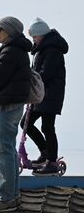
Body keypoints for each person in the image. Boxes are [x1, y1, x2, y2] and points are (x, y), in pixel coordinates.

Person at [0, 17, 32, 211]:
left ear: (9, 31)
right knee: (9, 150)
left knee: (3, 152)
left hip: (6, 104)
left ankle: (8, 197)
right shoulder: (19, 50)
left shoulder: (10, 51)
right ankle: (13, 194)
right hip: (14, 103)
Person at [22, 18, 69, 176]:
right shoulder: (42, 49)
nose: (33, 40)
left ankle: (52, 162)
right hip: (40, 94)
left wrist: (30, 81)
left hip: (50, 94)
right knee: (26, 124)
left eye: (35, 37)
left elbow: (46, 74)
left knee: (48, 127)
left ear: (41, 35)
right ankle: (45, 153)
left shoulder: (53, 49)